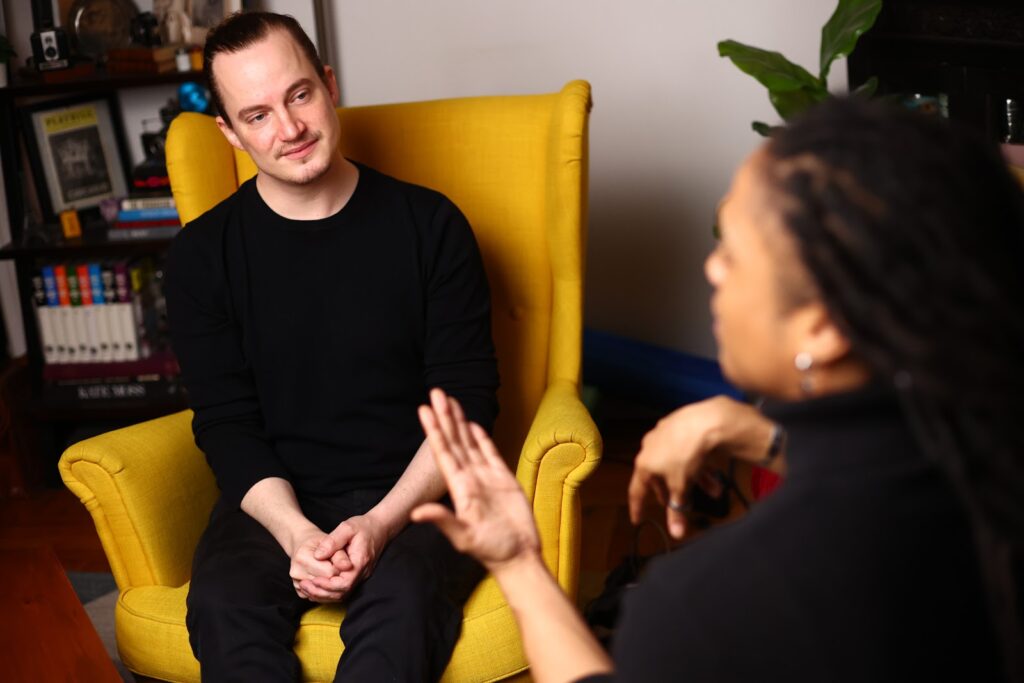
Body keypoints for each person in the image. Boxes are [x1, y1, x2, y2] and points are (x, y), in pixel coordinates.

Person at [414, 97, 1024, 682]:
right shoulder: (989, 462)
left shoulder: (707, 608)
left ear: (821, 327)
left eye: (731, 251)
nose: (712, 268)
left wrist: (518, 561)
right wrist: (761, 436)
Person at [163, 11, 498, 682]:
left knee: (401, 615)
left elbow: (465, 406)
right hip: (277, 500)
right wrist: (295, 533)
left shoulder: (431, 226)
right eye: (257, 115)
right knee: (224, 610)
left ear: (329, 84)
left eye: (299, 95)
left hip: (416, 493)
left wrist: (379, 523)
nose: (289, 128)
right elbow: (226, 424)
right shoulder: (200, 256)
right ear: (228, 132)